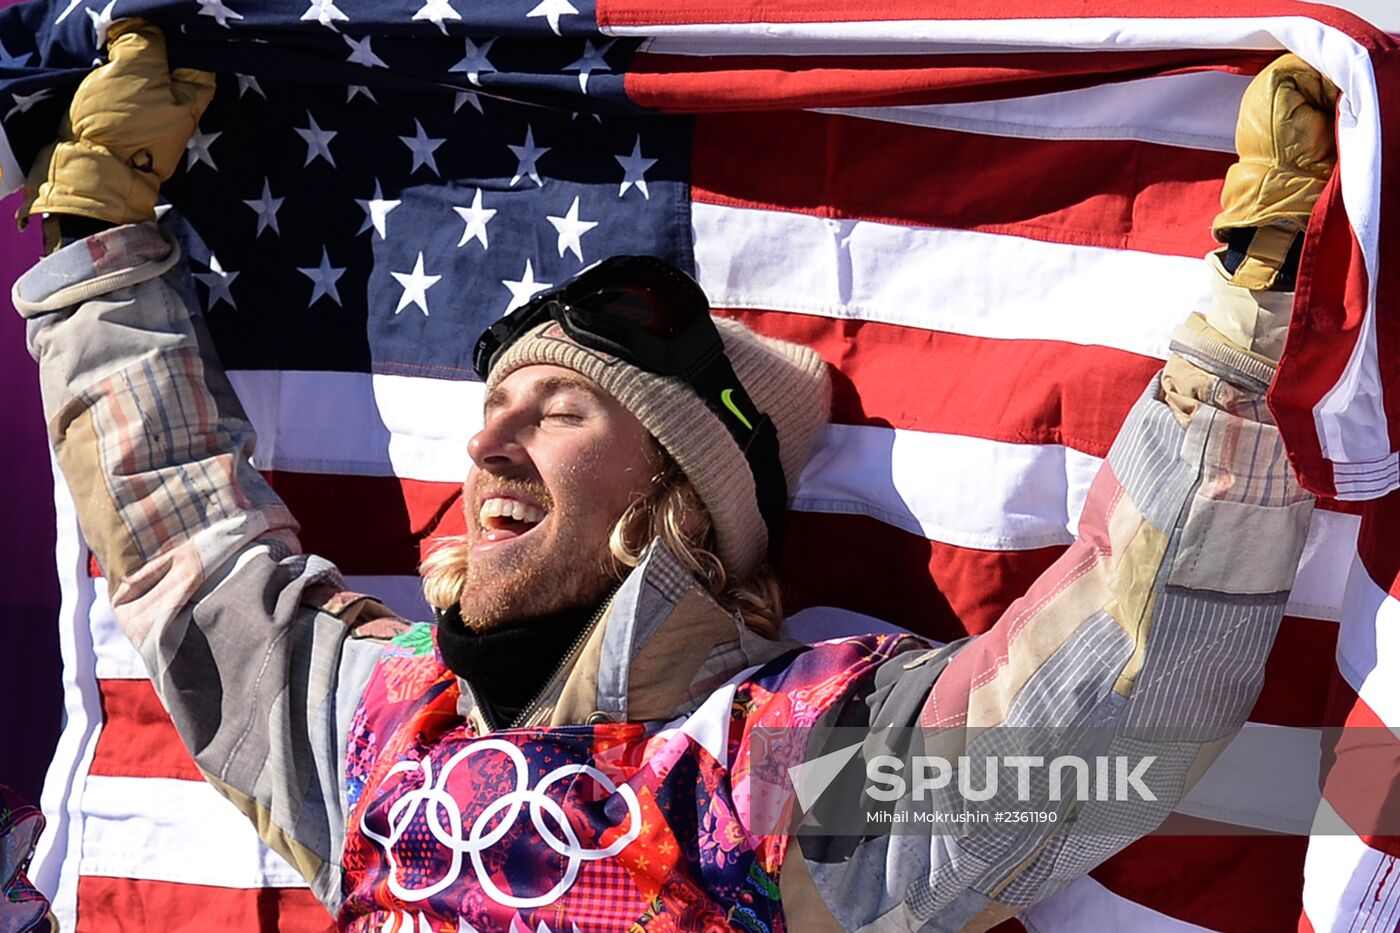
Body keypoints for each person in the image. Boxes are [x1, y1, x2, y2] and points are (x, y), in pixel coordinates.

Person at [12, 20, 1334, 932]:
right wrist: (88, 252)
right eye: (493, 409)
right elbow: (184, 553)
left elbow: (1110, 700)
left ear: (681, 499)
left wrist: (1240, 338)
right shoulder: (374, 736)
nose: (483, 446)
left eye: (558, 409)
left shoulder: (781, 773)